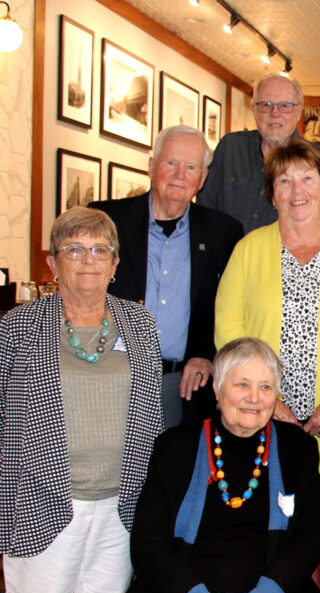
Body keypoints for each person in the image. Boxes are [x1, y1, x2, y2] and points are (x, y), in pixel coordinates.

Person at [98, 337, 320, 593]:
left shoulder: (297, 449)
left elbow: (309, 540)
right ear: (218, 389)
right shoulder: (175, 446)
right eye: (241, 384)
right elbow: (148, 546)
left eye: (265, 387)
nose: (253, 398)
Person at [0, 207, 163, 593]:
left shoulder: (139, 324)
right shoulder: (17, 328)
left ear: (116, 263)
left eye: (99, 250)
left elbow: (152, 416)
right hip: (40, 505)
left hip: (119, 508)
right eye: (74, 250)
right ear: (52, 263)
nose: (87, 260)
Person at [214, 138, 320, 477]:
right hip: (257, 410)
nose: (297, 190)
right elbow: (228, 329)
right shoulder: (248, 249)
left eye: (308, 178)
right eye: (284, 181)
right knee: (260, 515)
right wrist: (267, 400)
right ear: (272, 194)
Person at [91, 124, 243, 426]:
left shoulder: (223, 232)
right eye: (171, 163)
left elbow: (231, 307)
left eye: (191, 167)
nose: (179, 175)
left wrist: (207, 355)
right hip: (110, 376)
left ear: (202, 178)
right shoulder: (105, 221)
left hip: (183, 388)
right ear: (151, 166)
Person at [198, 74, 320, 233]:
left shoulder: (318, 160)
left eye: (285, 106)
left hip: (285, 256)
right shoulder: (230, 148)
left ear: (298, 112)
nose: (275, 113)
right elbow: (204, 209)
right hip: (227, 256)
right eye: (266, 105)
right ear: (254, 110)